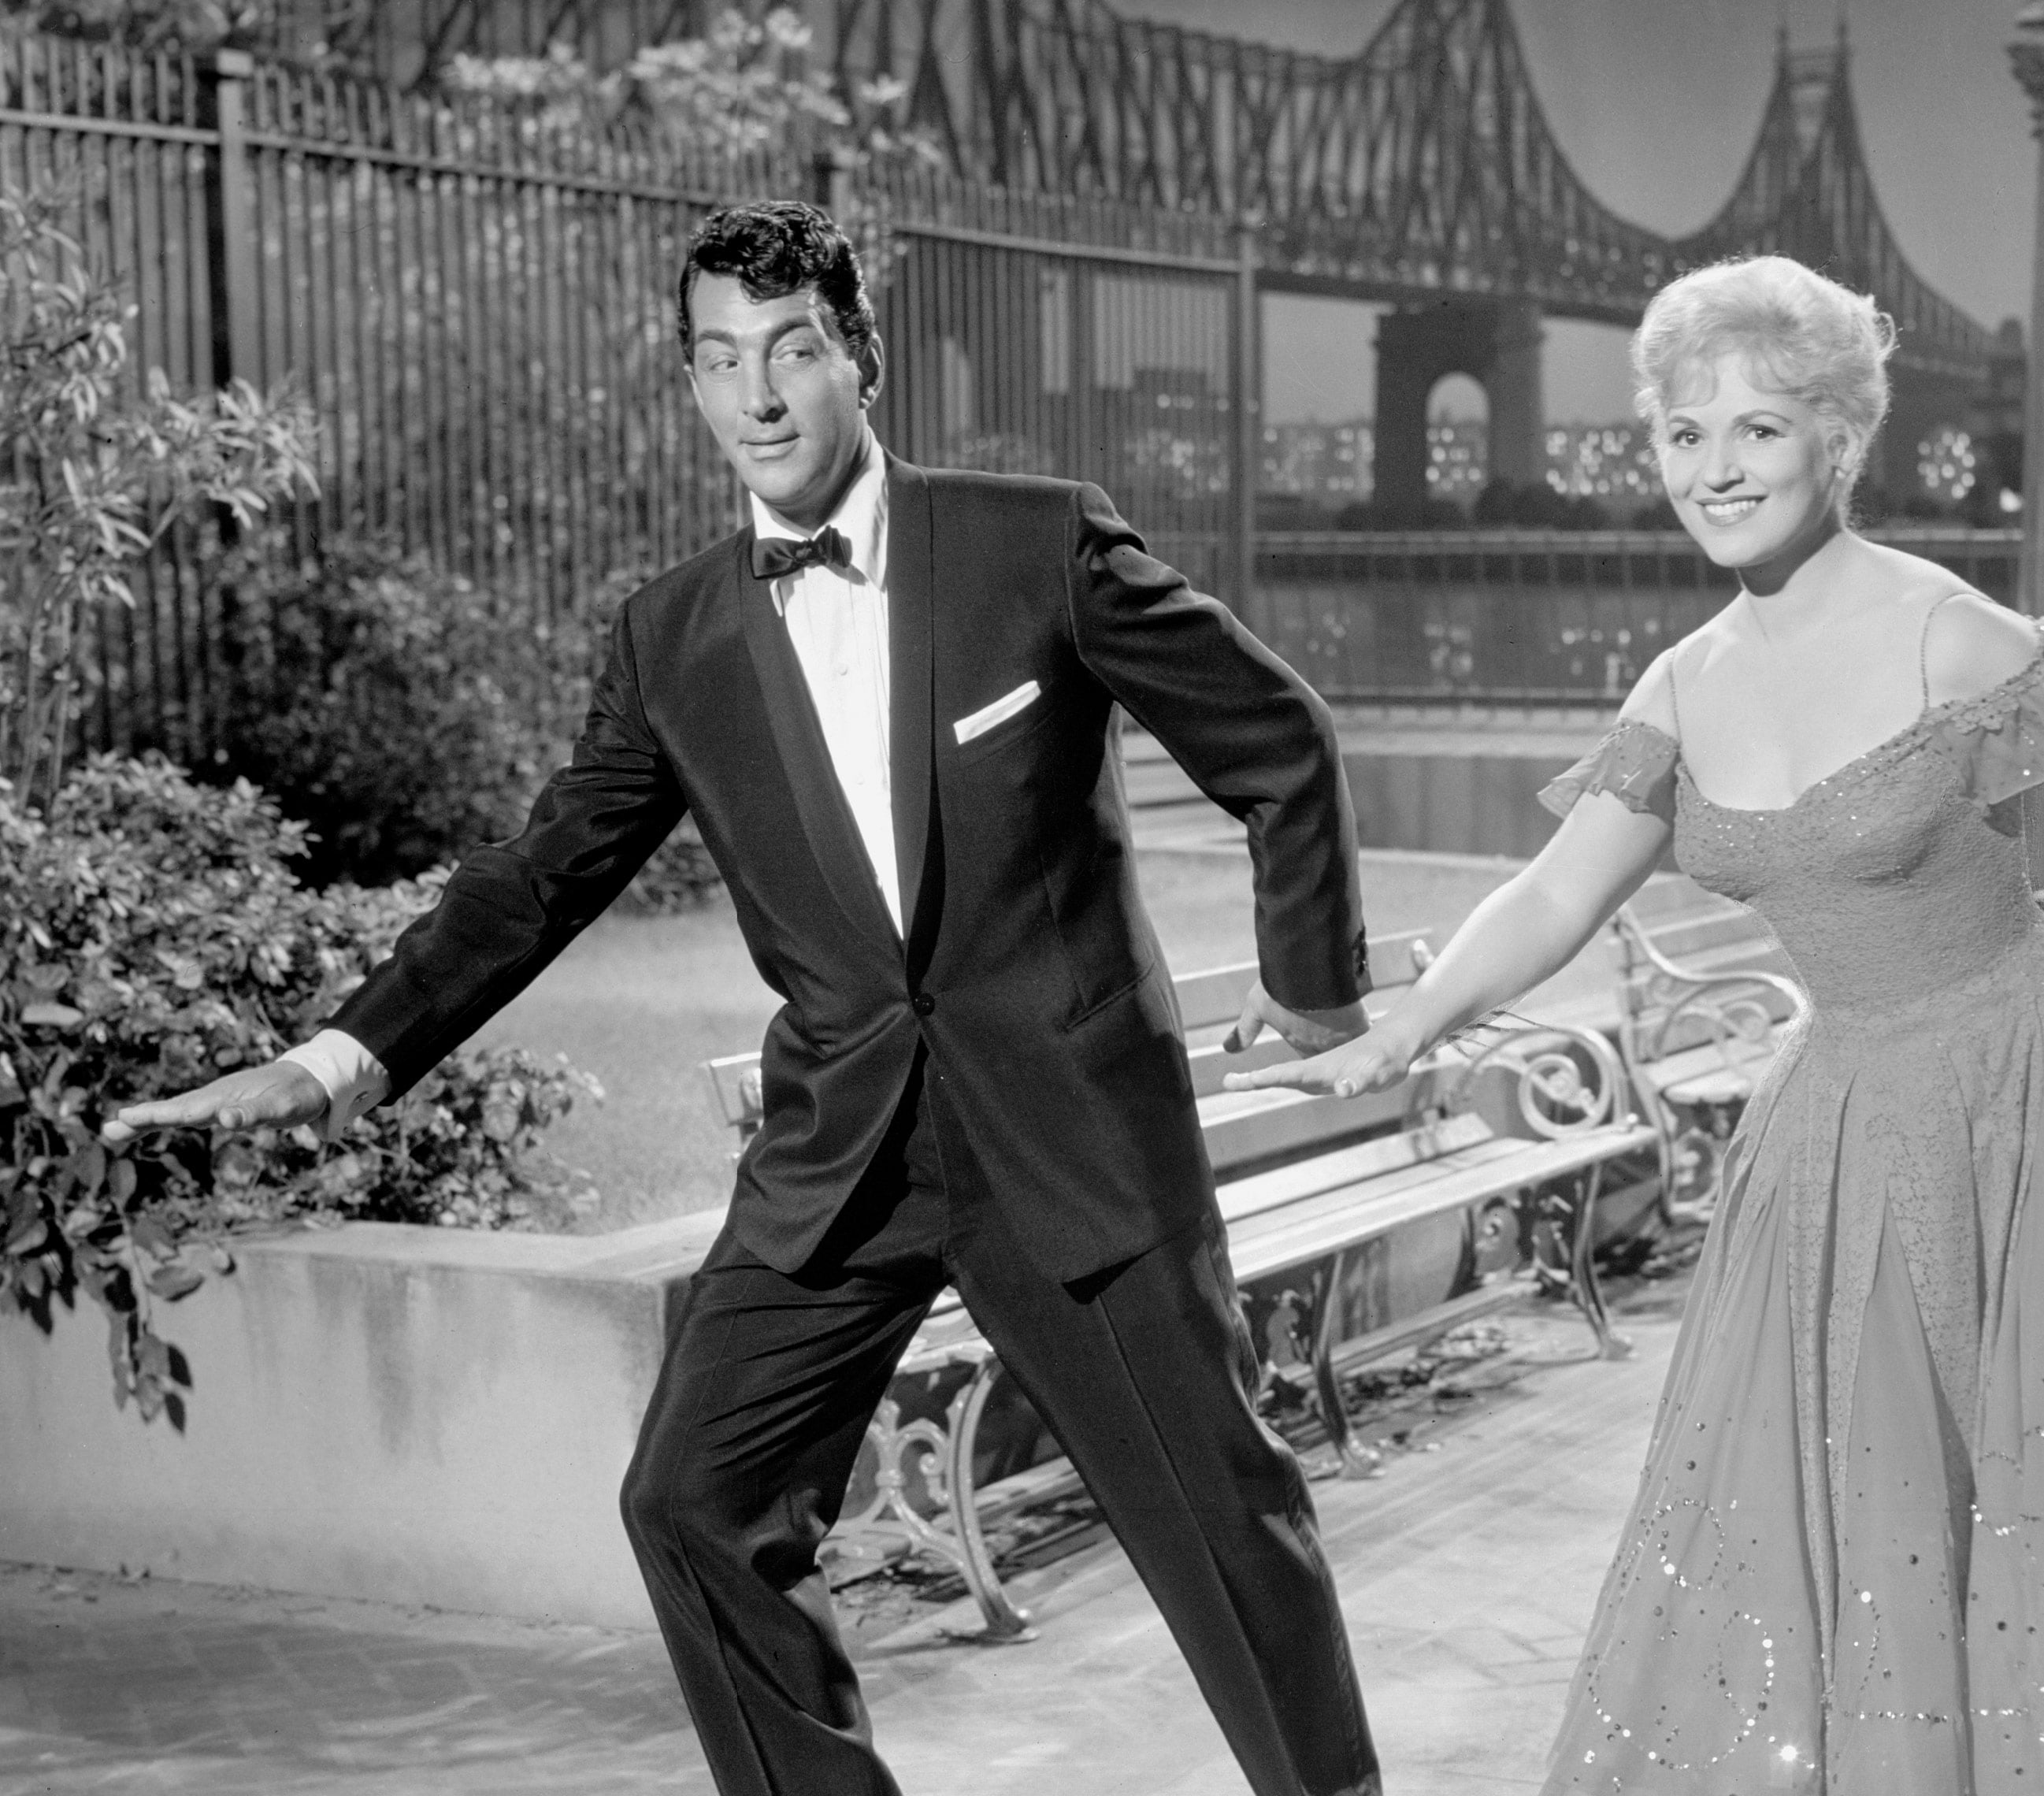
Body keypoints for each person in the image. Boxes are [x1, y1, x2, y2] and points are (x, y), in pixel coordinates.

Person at [1229, 256, 2044, 1795]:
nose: (1715, 469)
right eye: (1683, 434)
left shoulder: (1942, 628)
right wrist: (1399, 1027)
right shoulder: (1679, 686)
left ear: (1839, 438)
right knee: (1901, 1517)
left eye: (1757, 428)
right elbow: (1553, 893)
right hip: (1849, 1134)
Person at [106, 201, 1385, 1796]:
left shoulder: (1033, 544)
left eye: (789, 351)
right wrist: (336, 1056)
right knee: (692, 1502)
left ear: (860, 359)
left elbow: (1279, 739)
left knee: (1221, 1523)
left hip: (1073, 1145)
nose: (757, 398)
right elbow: (539, 876)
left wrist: (1315, 987)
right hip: (843, 1155)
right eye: (720, 361)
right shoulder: (674, 639)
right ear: (695, 384)